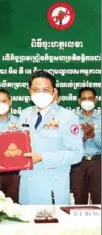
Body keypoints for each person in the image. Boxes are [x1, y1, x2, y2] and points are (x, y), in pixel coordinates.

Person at [19, 70, 83, 205]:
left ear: (54, 92)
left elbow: (76, 154)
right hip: (26, 187)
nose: (40, 93)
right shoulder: (24, 115)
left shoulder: (67, 117)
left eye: (45, 90)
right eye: (36, 90)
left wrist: (43, 157)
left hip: (52, 189)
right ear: (29, 92)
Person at [70, 87, 101, 204]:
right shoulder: (72, 119)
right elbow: (69, 143)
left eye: (90, 98)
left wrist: (93, 136)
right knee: (79, 198)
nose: (87, 101)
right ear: (79, 101)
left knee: (99, 198)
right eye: (84, 99)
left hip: (98, 162)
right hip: (78, 163)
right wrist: (83, 138)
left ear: (95, 100)